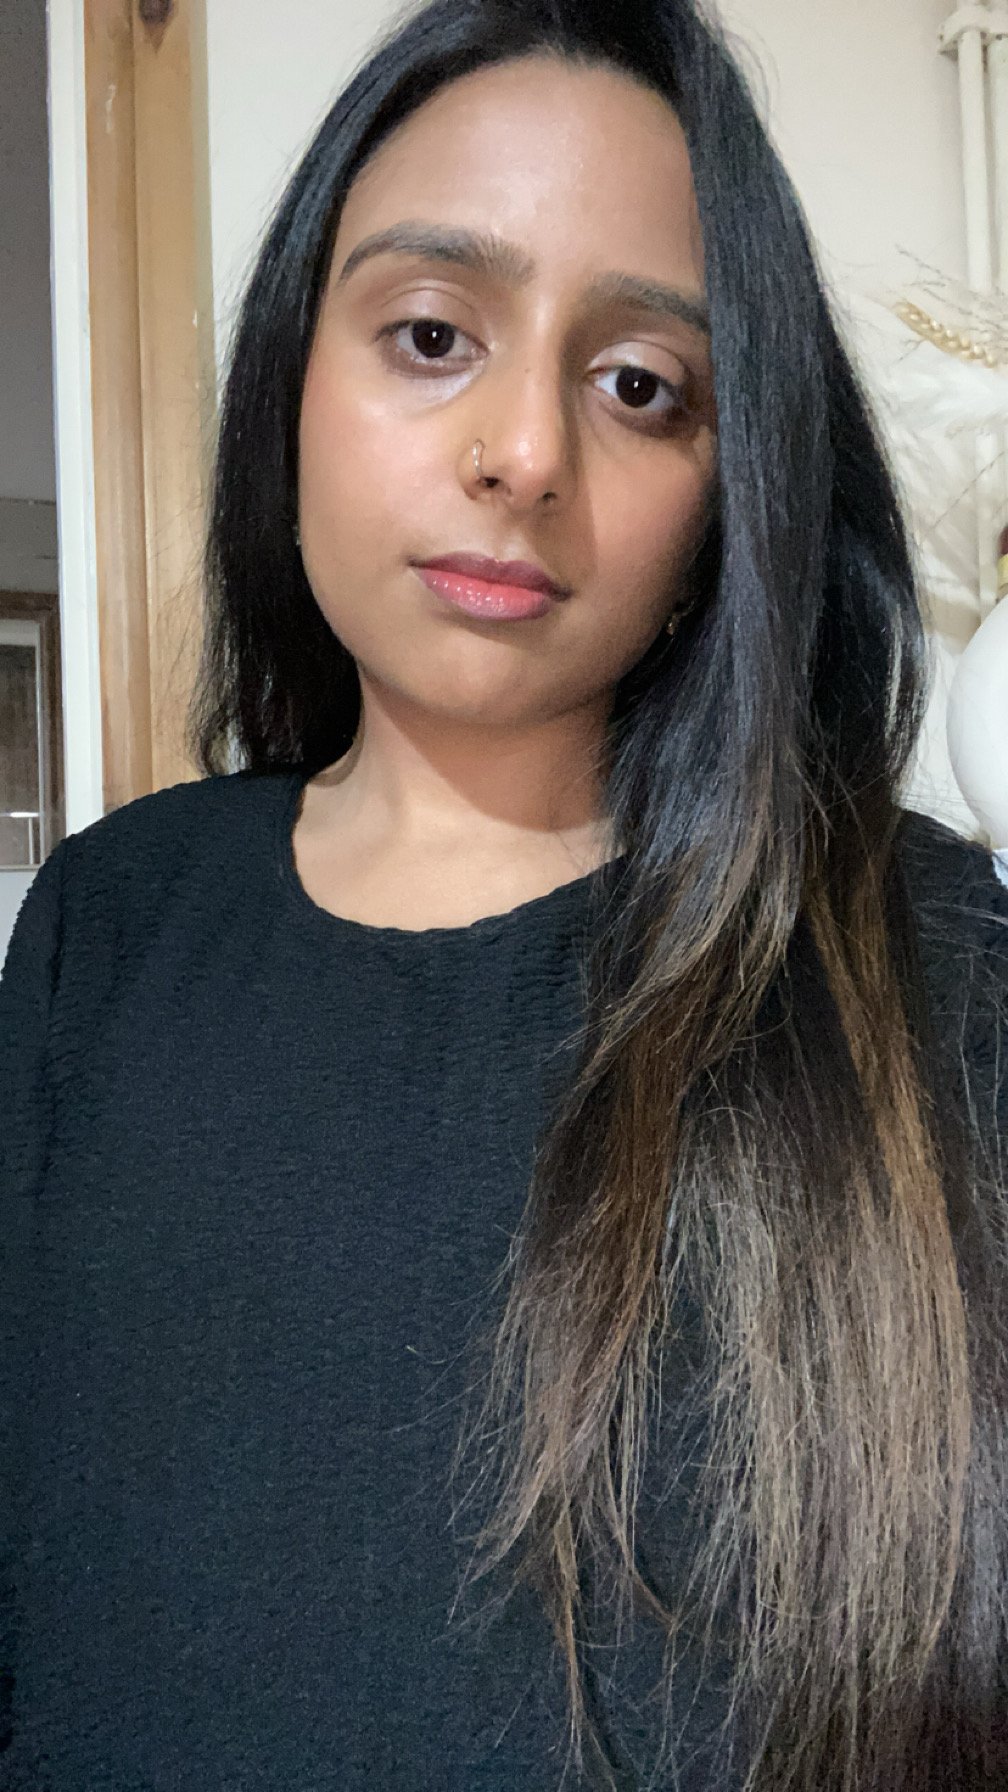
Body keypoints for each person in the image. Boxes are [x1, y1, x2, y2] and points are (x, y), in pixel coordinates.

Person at [2, 0, 1006, 1786]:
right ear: (292, 381)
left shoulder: (933, 971)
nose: (525, 450)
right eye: (432, 334)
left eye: (641, 387)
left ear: (731, 488)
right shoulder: (109, 926)